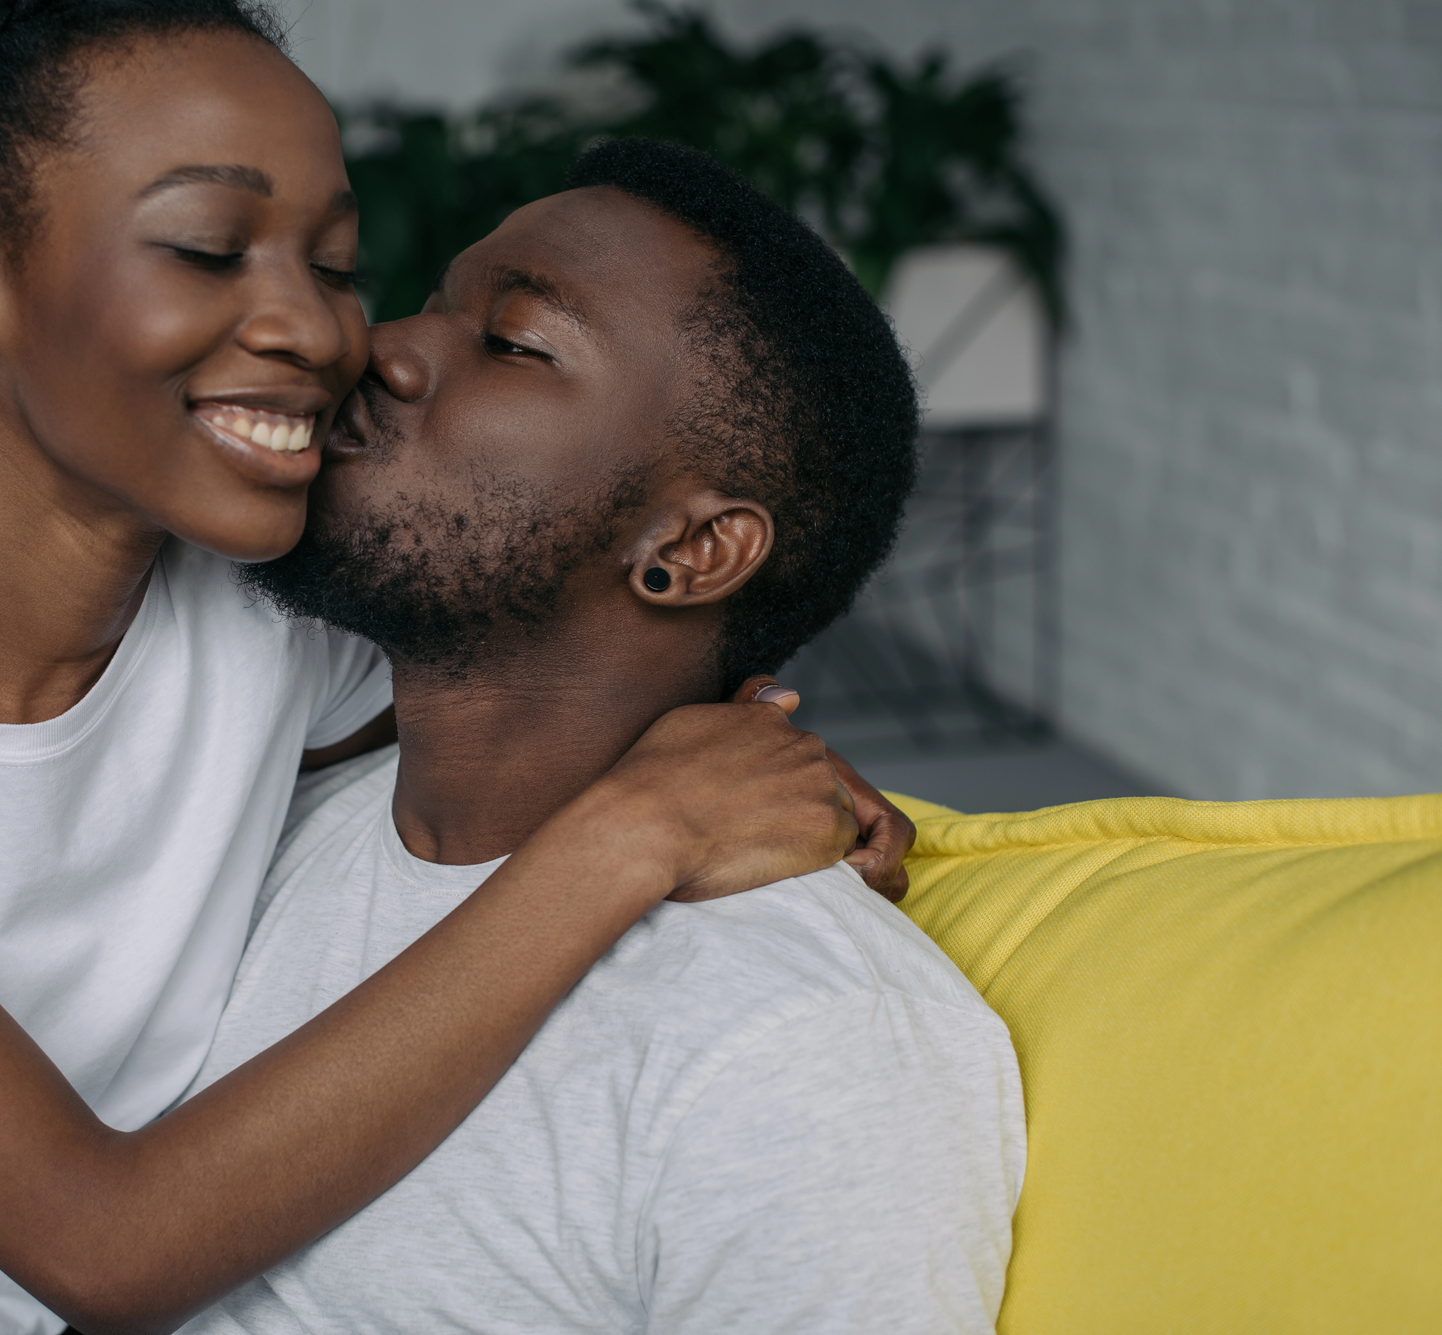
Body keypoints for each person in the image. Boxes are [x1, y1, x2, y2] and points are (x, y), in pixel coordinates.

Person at [0, 9, 915, 1335]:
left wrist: (766, 762)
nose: (325, 330)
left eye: (334, 264)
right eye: (211, 247)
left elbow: (550, 653)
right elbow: (107, 1246)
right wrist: (635, 829)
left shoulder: (275, 624)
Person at [185, 138, 1027, 1334]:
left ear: (686, 552)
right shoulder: (245, 820)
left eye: (514, 343)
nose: (383, 349)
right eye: (430, 304)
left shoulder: (799, 1047)